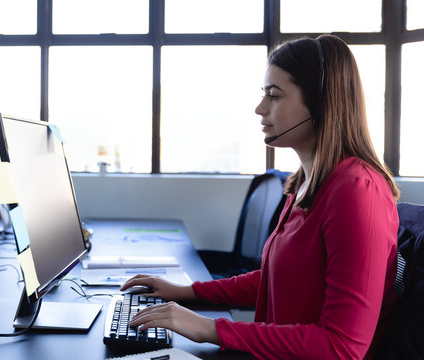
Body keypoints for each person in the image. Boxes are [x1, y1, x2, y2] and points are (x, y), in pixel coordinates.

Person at [121, 34, 400, 359]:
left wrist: (209, 329)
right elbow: (276, 279)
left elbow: (342, 347)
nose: (260, 108)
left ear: (321, 103)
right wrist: (187, 293)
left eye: (274, 96)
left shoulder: (357, 191)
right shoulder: (305, 184)